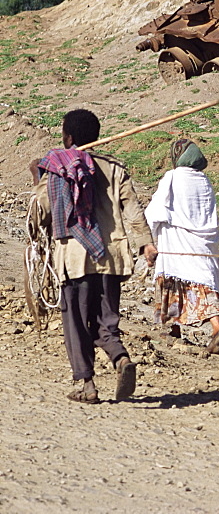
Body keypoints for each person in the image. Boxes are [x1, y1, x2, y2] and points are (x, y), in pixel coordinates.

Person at [31, 109, 157, 404]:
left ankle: (87, 385)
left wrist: (37, 179)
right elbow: (133, 209)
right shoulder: (114, 168)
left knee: (76, 321)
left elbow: (43, 212)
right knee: (105, 319)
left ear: (69, 137)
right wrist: (146, 245)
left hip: (76, 258)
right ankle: (120, 358)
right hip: (110, 257)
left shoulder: (57, 169)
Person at [144, 138, 219, 355]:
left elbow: (155, 210)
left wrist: (148, 238)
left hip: (177, 240)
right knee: (205, 285)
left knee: (172, 281)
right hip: (202, 245)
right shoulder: (204, 181)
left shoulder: (172, 177)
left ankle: (173, 328)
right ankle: (216, 329)